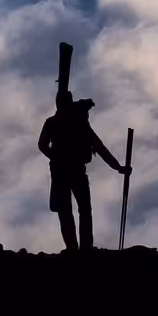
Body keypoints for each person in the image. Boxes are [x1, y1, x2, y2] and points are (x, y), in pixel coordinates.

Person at [37, 95, 128, 251]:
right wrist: (118, 167)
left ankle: (73, 248)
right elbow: (99, 147)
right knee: (82, 210)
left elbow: (42, 145)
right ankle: (85, 247)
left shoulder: (52, 123)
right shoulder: (79, 124)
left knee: (67, 211)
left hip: (60, 173)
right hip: (75, 172)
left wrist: (55, 156)